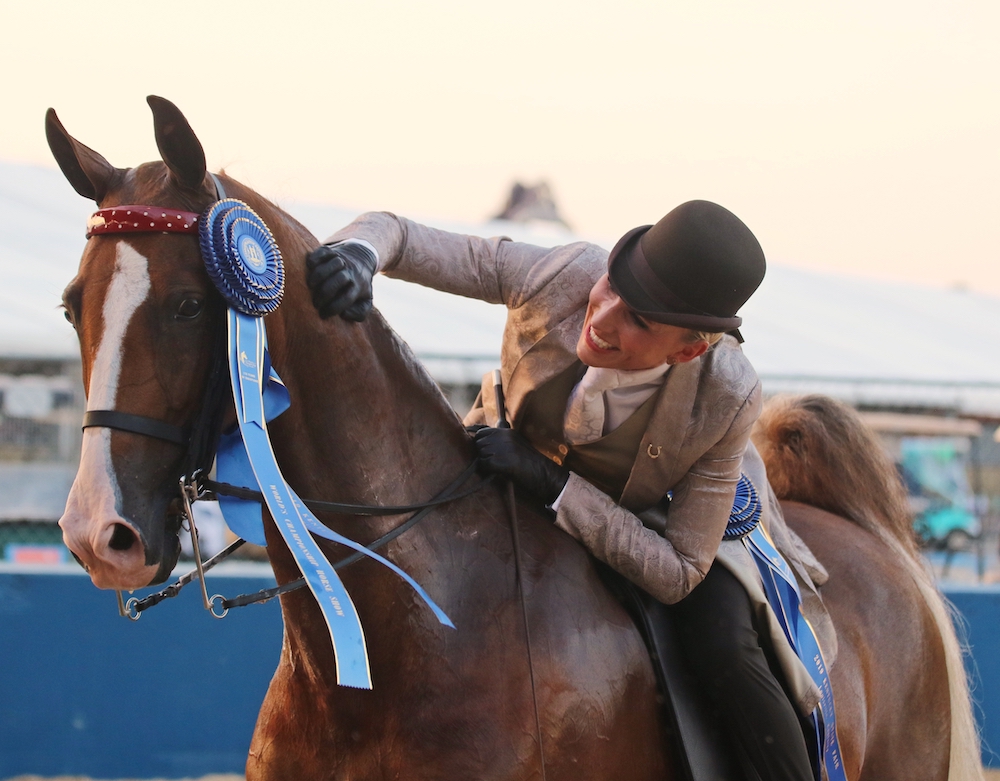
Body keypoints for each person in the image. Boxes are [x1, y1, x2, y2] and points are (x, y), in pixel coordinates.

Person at [306, 201, 830, 781]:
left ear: (688, 350)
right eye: (612, 286)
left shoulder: (727, 392)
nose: (601, 317)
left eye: (639, 321)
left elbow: (678, 571)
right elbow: (399, 235)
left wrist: (552, 483)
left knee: (725, 650)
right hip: (500, 462)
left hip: (659, 517)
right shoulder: (562, 272)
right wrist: (358, 254)